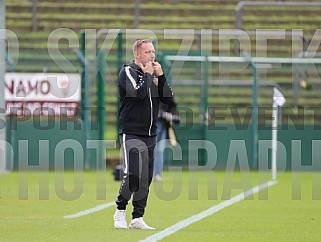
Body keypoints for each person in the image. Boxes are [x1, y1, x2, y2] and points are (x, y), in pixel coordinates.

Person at [113, 39, 176, 230]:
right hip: (131, 132)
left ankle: (137, 218)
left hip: (150, 134)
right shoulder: (127, 72)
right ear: (138, 54)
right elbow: (137, 94)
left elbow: (168, 98)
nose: (152, 55)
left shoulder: (154, 74)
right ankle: (120, 211)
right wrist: (148, 76)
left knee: (145, 178)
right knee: (132, 174)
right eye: (148, 52)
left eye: (153, 52)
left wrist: (161, 76)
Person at [153, 102, 179, 182]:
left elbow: (173, 108)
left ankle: (157, 173)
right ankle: (148, 173)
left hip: (163, 125)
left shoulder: (167, 95)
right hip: (152, 125)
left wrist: (169, 115)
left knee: (160, 150)